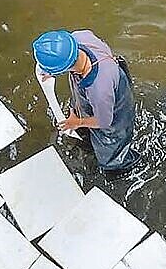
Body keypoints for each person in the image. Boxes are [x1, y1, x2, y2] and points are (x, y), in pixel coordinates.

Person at [33, 29, 139, 173]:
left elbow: (104, 121)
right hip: (106, 79)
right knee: (85, 120)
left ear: (63, 69)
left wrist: (77, 122)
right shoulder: (79, 37)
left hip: (113, 108)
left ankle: (129, 165)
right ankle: (86, 131)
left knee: (110, 158)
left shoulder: (99, 89)